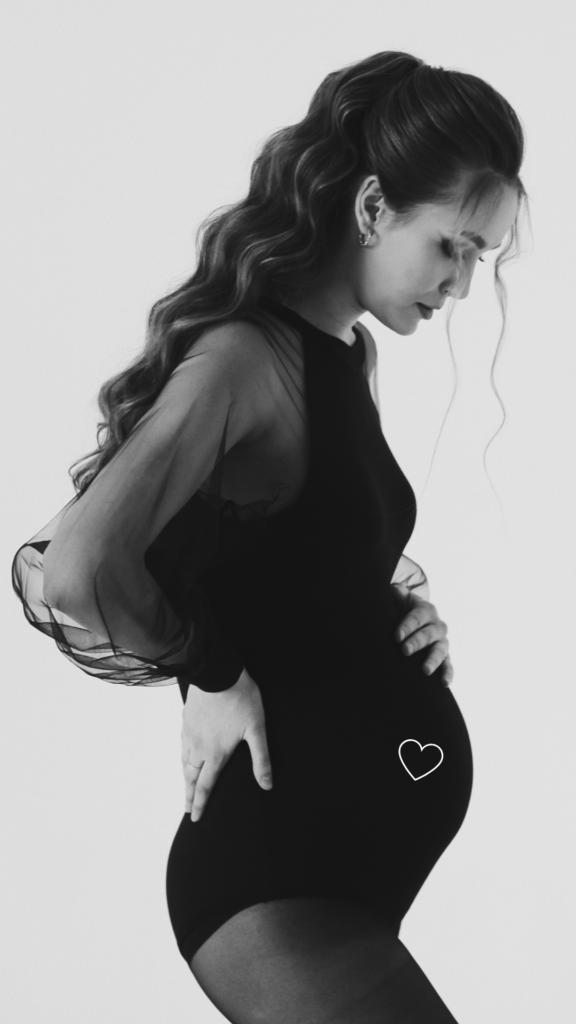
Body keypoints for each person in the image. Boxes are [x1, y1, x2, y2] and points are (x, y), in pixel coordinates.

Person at [12, 50, 527, 1023]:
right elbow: (77, 565)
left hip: (345, 879)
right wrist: (208, 674)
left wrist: (395, 613)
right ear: (372, 208)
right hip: (272, 881)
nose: (461, 283)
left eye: (479, 259)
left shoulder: (347, 352)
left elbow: (286, 560)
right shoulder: (243, 360)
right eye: (452, 247)